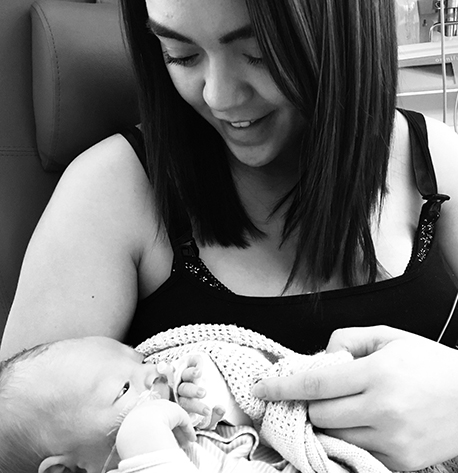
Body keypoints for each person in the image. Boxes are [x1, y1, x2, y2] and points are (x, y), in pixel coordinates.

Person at [1, 0, 458, 470]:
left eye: (259, 53)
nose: (219, 96)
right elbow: (23, 439)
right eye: (180, 55)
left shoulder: (439, 164)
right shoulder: (112, 190)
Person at [0, 333, 363, 473]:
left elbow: (260, 410)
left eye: (140, 361)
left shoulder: (187, 434)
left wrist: (213, 398)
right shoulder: (140, 457)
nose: (155, 370)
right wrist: (145, 438)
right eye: (124, 389)